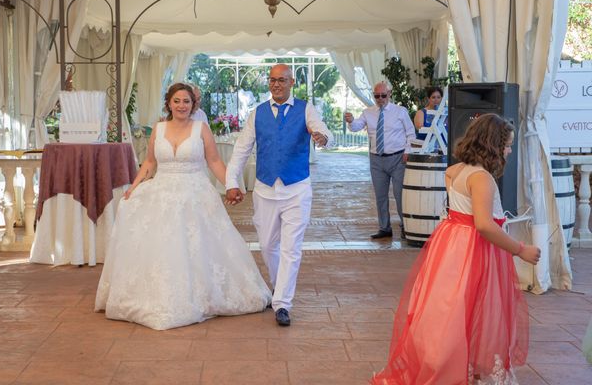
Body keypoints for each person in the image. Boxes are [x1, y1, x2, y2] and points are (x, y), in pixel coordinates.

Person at [371, 113, 541, 385]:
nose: (509, 150)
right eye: (507, 144)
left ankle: (457, 361)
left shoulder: (454, 171)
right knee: (476, 308)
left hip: (452, 246)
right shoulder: (482, 178)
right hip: (476, 250)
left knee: (450, 308)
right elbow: (484, 224)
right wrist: (520, 249)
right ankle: (462, 366)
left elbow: (460, 213)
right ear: (493, 145)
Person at [95, 83, 271, 330]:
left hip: (195, 194)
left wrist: (231, 186)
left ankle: (202, 293)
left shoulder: (202, 129)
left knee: (198, 246)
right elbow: (149, 163)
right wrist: (133, 187)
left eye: (186, 101)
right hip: (162, 193)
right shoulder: (158, 128)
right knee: (161, 245)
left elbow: (214, 161)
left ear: (193, 104)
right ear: (169, 103)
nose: (181, 106)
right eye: (176, 101)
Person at [225, 64, 333, 327]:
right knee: (267, 246)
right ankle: (278, 286)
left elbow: (321, 128)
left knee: (291, 248)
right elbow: (241, 150)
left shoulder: (305, 108)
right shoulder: (257, 113)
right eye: (273, 80)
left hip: (297, 188)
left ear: (292, 82)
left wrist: (322, 137)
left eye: (282, 80)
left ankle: (283, 303)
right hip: (265, 189)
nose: (277, 85)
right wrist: (231, 182)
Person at [344, 81, 415, 240]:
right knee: (380, 195)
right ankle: (384, 227)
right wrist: (350, 121)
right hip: (376, 159)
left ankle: (406, 227)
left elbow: (411, 133)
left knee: (399, 194)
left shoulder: (400, 111)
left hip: (397, 158)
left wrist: (408, 151)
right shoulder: (368, 112)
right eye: (377, 96)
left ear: (389, 94)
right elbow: (356, 127)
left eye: (383, 95)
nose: (380, 99)